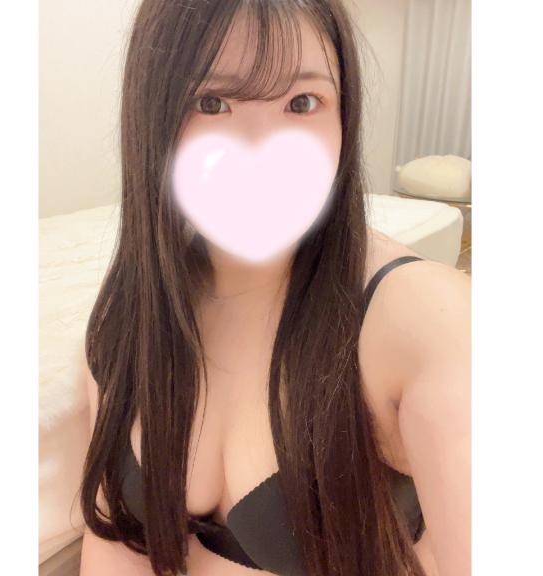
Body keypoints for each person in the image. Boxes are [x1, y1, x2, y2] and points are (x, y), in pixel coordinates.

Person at [79, 1, 471, 575]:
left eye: (302, 102)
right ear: (151, 115)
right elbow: (116, 546)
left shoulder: (429, 320)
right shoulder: (128, 316)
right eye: (211, 103)